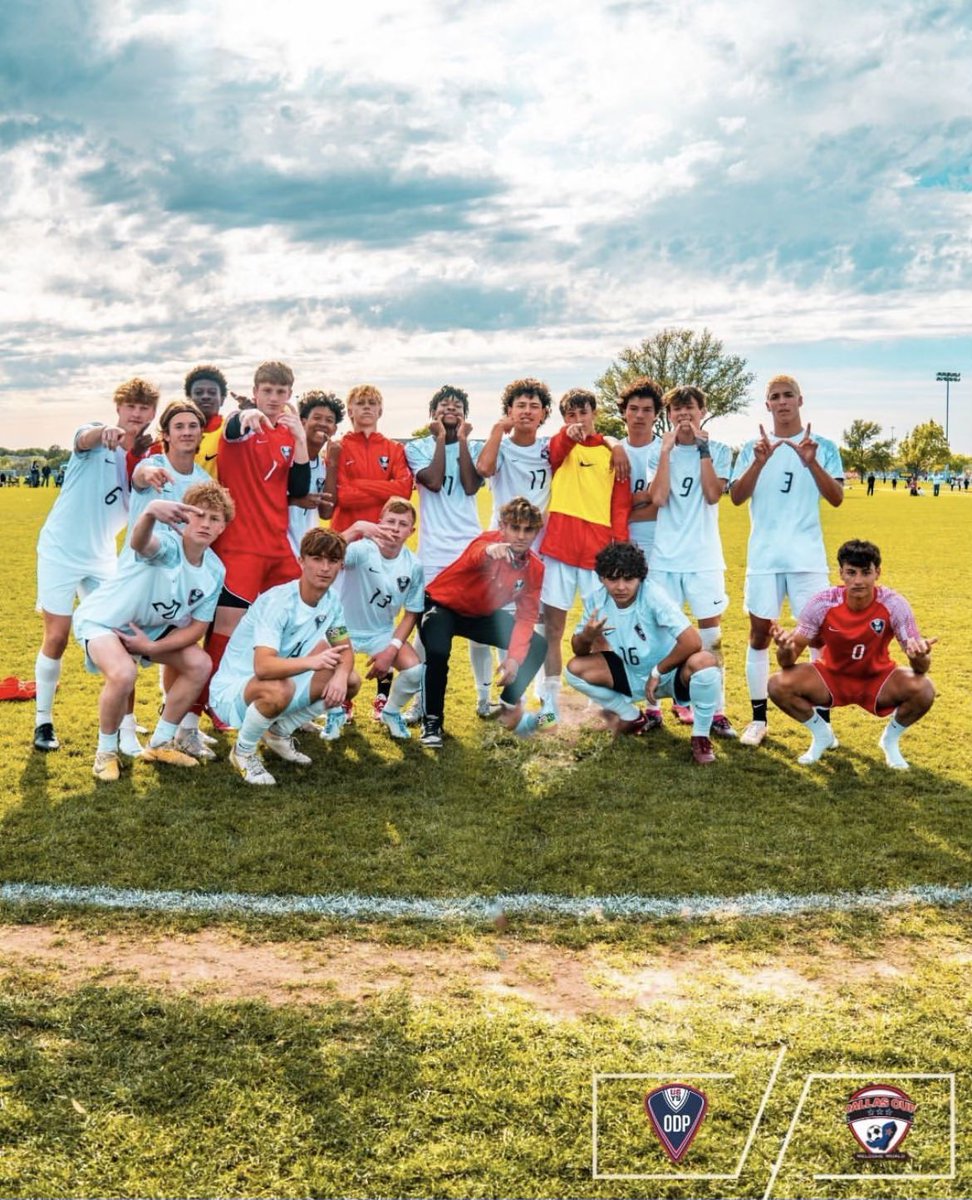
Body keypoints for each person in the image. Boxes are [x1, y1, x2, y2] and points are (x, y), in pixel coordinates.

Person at [71, 482, 234, 781]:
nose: (206, 523)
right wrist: (148, 513)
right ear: (185, 517)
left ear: (223, 528)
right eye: (200, 515)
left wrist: (152, 647)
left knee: (200, 664)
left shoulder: (215, 570)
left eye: (214, 519)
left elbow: (198, 626)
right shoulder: (168, 546)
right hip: (105, 620)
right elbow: (139, 543)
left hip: (150, 630)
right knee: (123, 674)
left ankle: (160, 742)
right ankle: (105, 752)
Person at [33, 377, 159, 753]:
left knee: (123, 634)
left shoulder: (145, 458)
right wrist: (103, 431)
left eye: (143, 408)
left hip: (103, 555)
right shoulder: (97, 438)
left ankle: (127, 729)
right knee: (57, 636)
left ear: (152, 413)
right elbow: (84, 437)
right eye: (129, 407)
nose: (136, 414)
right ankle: (43, 721)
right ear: (118, 408)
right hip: (60, 550)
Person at [729, 375, 844, 747]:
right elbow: (736, 497)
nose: (782, 402)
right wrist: (759, 463)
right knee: (759, 635)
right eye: (774, 397)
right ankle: (758, 719)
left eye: (788, 396)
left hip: (807, 558)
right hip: (764, 557)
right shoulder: (752, 447)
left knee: (819, 636)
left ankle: (823, 723)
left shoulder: (821, 446)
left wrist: (812, 463)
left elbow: (837, 497)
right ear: (767, 405)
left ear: (800, 400)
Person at [198, 361, 311, 728]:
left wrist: (301, 439)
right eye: (268, 391)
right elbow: (234, 428)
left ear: (290, 395)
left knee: (296, 623)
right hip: (240, 546)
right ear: (256, 391)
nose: (275, 399)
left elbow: (297, 489)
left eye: (281, 392)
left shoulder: (286, 433)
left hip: (277, 547)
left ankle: (286, 706)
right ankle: (206, 710)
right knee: (226, 631)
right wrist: (244, 413)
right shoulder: (243, 423)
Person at [767, 539, 935, 770]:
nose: (858, 581)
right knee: (778, 684)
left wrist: (920, 655)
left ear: (877, 572)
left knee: (924, 689)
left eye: (865, 573)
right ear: (841, 574)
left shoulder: (894, 604)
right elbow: (787, 661)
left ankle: (890, 741)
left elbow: (920, 668)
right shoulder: (822, 603)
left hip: (877, 678)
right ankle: (822, 735)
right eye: (851, 572)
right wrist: (785, 648)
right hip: (831, 677)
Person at [210, 528, 359, 785]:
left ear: (341, 566)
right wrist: (311, 662)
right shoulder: (279, 602)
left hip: (281, 681)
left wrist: (341, 676)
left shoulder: (332, 601)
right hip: (233, 691)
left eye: (332, 561)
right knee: (280, 687)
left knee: (351, 681)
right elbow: (264, 668)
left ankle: (279, 731)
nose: (324, 568)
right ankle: (243, 752)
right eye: (316, 559)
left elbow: (343, 646)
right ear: (301, 561)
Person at [564, 542, 722, 764]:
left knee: (706, 662)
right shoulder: (597, 600)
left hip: (669, 673)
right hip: (630, 674)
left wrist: (657, 672)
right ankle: (631, 716)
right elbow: (578, 650)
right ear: (601, 578)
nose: (620, 587)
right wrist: (587, 636)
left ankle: (700, 737)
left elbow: (692, 640)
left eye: (628, 579)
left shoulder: (653, 595)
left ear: (640, 578)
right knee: (574, 670)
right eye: (613, 579)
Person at [418, 497, 548, 748]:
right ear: (502, 526)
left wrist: (513, 659)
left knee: (537, 645)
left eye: (528, 529)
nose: (521, 536)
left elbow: (526, 616)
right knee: (437, 651)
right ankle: (432, 721)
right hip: (442, 606)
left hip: (478, 615)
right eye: (515, 528)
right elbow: (475, 555)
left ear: (536, 532)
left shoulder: (535, 568)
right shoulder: (487, 542)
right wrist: (490, 549)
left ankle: (508, 704)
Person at [646, 386, 735, 737]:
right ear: (669, 415)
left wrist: (701, 449)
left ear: (702, 411)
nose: (684, 415)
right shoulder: (659, 450)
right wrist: (667, 452)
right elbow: (660, 498)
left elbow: (713, 494)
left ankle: (715, 711)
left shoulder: (720, 449)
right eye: (677, 409)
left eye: (690, 409)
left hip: (704, 559)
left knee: (711, 638)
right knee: (660, 636)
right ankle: (653, 707)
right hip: (665, 559)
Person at [537, 388, 630, 723]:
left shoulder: (612, 453)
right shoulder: (559, 447)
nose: (578, 421)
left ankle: (604, 698)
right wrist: (568, 435)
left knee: (602, 631)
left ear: (594, 413)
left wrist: (618, 552)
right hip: (559, 550)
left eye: (583, 413)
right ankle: (549, 700)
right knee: (553, 630)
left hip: (597, 557)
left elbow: (620, 507)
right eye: (571, 415)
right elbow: (557, 449)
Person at [404, 385, 487, 718]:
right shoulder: (418, 447)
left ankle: (484, 698)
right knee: (428, 628)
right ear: (432, 413)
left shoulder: (476, 446)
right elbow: (434, 481)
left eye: (457, 405)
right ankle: (419, 703)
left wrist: (461, 441)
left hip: (470, 546)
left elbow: (470, 485)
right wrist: (441, 439)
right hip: (434, 551)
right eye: (443, 405)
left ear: (466, 415)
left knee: (479, 624)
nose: (450, 408)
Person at [475, 377, 555, 714]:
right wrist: (497, 430)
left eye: (533, 406)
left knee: (537, 617)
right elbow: (483, 468)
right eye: (519, 405)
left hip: (541, 544)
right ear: (509, 411)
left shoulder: (551, 448)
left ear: (544, 413)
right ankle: (486, 695)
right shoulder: (501, 446)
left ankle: (534, 689)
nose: (526, 411)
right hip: (501, 543)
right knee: (495, 618)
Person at [338, 499, 425, 738]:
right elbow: (324, 553)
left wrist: (391, 649)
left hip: (381, 632)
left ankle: (391, 712)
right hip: (342, 629)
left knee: (415, 671)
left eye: (403, 524)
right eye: (390, 522)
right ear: (379, 523)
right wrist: (355, 528)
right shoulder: (361, 550)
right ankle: (339, 707)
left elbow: (412, 612)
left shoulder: (414, 565)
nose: (395, 528)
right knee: (335, 674)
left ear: (411, 531)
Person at [325, 384, 413, 532]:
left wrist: (358, 483)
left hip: (383, 536)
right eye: (360, 403)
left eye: (372, 403)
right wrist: (386, 490)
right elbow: (343, 496)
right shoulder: (338, 448)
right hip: (345, 535)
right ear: (350, 411)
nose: (367, 407)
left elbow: (404, 491)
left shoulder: (395, 449)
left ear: (380, 411)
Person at [287, 391, 344, 558]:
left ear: (334, 429)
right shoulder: (287, 454)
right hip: (282, 547)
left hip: (307, 551)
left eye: (329, 420)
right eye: (317, 418)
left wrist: (332, 463)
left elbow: (326, 513)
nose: (322, 424)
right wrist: (295, 501)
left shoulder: (324, 465)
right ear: (303, 422)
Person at [184, 364, 229, 477]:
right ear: (189, 399)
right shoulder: (172, 434)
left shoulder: (230, 432)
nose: (205, 396)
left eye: (212, 392)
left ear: (222, 399)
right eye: (199, 393)